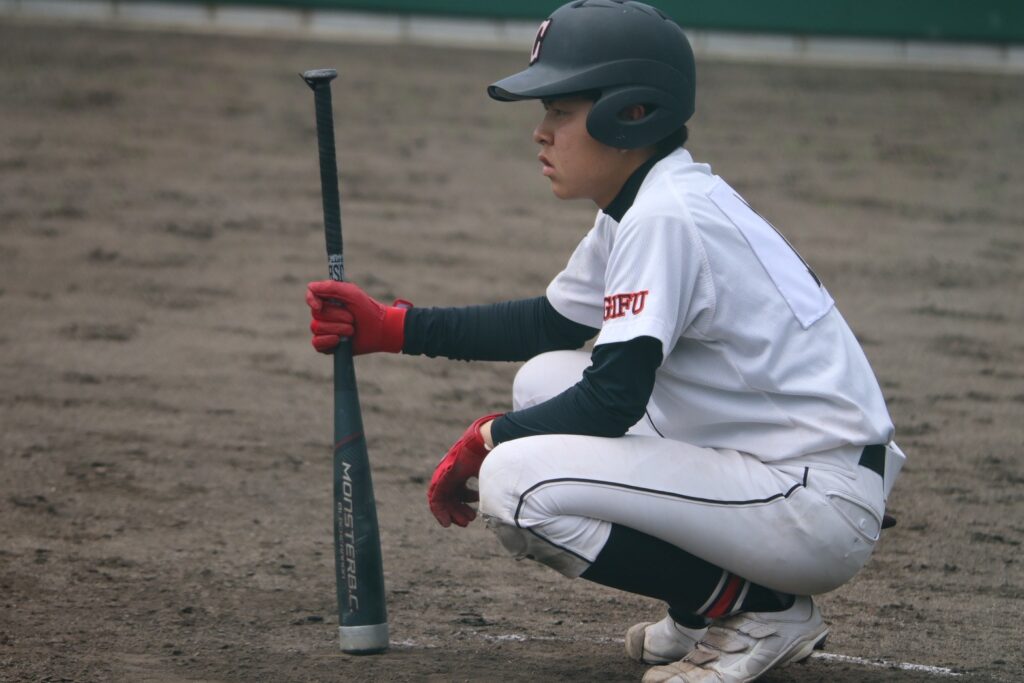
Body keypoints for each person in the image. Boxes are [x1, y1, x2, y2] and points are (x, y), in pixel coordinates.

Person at [305, 1, 906, 681]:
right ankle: (706, 604)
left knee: (515, 483)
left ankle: (758, 607)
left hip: (811, 503)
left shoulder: (665, 218)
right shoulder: (647, 201)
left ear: (629, 114)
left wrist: (482, 439)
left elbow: (612, 399)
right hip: (780, 467)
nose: (540, 132)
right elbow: (554, 324)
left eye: (560, 111)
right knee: (543, 379)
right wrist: (395, 328)